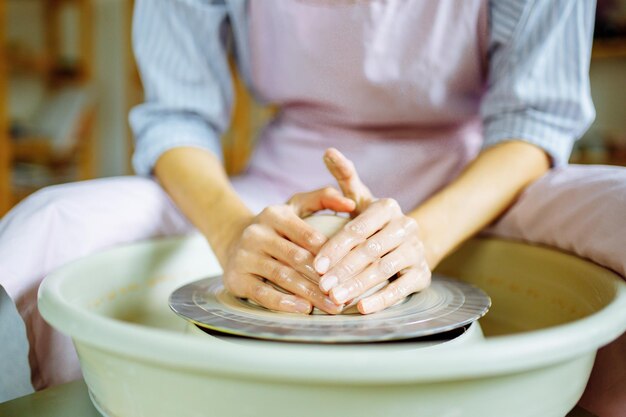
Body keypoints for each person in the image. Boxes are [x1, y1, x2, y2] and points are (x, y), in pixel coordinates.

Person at [0, 0, 624, 414]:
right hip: (277, 185)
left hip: (477, 182)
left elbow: (535, 119)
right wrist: (233, 231)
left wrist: (419, 239)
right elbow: (176, 119)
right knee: (43, 228)